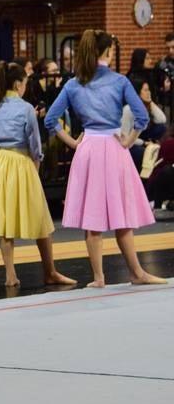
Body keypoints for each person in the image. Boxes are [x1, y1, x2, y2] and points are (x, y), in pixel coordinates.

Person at [45, 29, 166, 288]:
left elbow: (50, 120)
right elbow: (142, 118)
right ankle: (136, 272)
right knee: (121, 215)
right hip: (113, 148)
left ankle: (99, 277)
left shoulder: (73, 83)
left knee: (93, 216)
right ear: (108, 52)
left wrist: (74, 143)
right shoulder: (119, 81)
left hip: (88, 148)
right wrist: (128, 140)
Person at [0, 61, 75, 288]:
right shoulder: (26, 108)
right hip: (21, 161)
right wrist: (35, 167)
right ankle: (49, 271)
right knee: (40, 218)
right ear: (19, 83)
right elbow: (35, 144)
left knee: (4, 219)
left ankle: (10, 274)